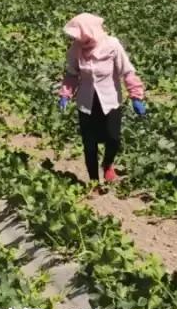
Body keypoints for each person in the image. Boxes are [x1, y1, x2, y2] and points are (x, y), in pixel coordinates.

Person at [58, 13, 146, 186]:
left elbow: (127, 71)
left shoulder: (112, 45)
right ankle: (93, 181)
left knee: (113, 138)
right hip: (86, 102)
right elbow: (72, 75)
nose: (80, 41)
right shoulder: (76, 49)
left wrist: (136, 96)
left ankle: (107, 164)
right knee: (89, 144)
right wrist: (65, 94)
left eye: (82, 37)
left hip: (110, 99)